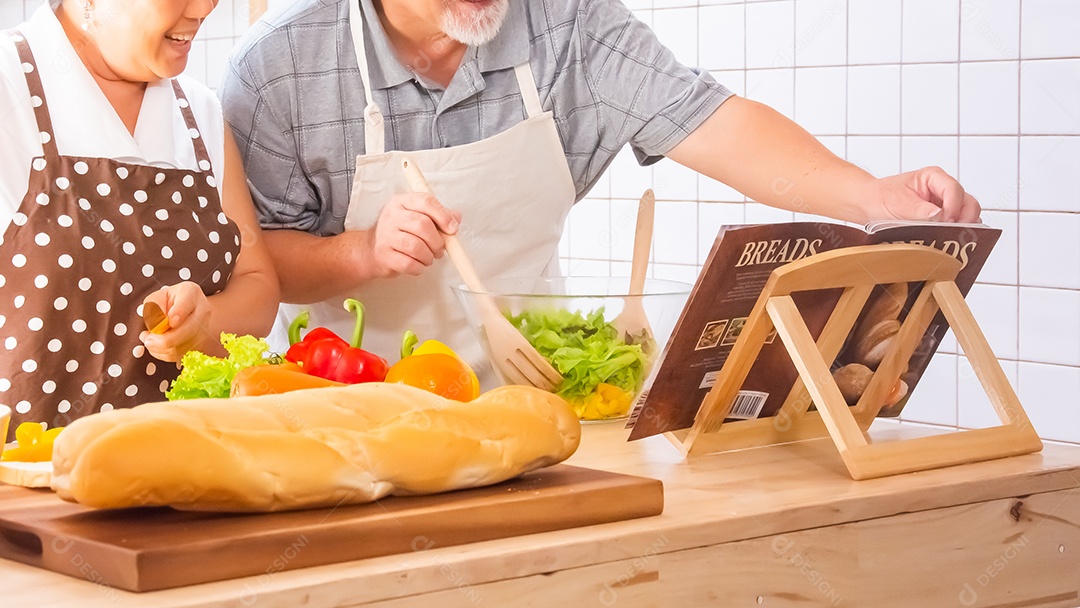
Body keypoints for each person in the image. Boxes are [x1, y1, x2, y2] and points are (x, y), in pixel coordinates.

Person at [221, 0, 980, 387]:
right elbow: (262, 266)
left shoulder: (571, 22)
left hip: (548, 398)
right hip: (360, 404)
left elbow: (708, 121)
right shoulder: (279, 66)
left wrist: (873, 198)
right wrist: (361, 251)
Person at [0, 0, 279, 439]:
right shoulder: (7, 87)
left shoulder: (200, 113)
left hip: (183, 473)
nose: (206, 6)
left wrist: (206, 321)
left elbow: (258, 281)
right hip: (27, 482)